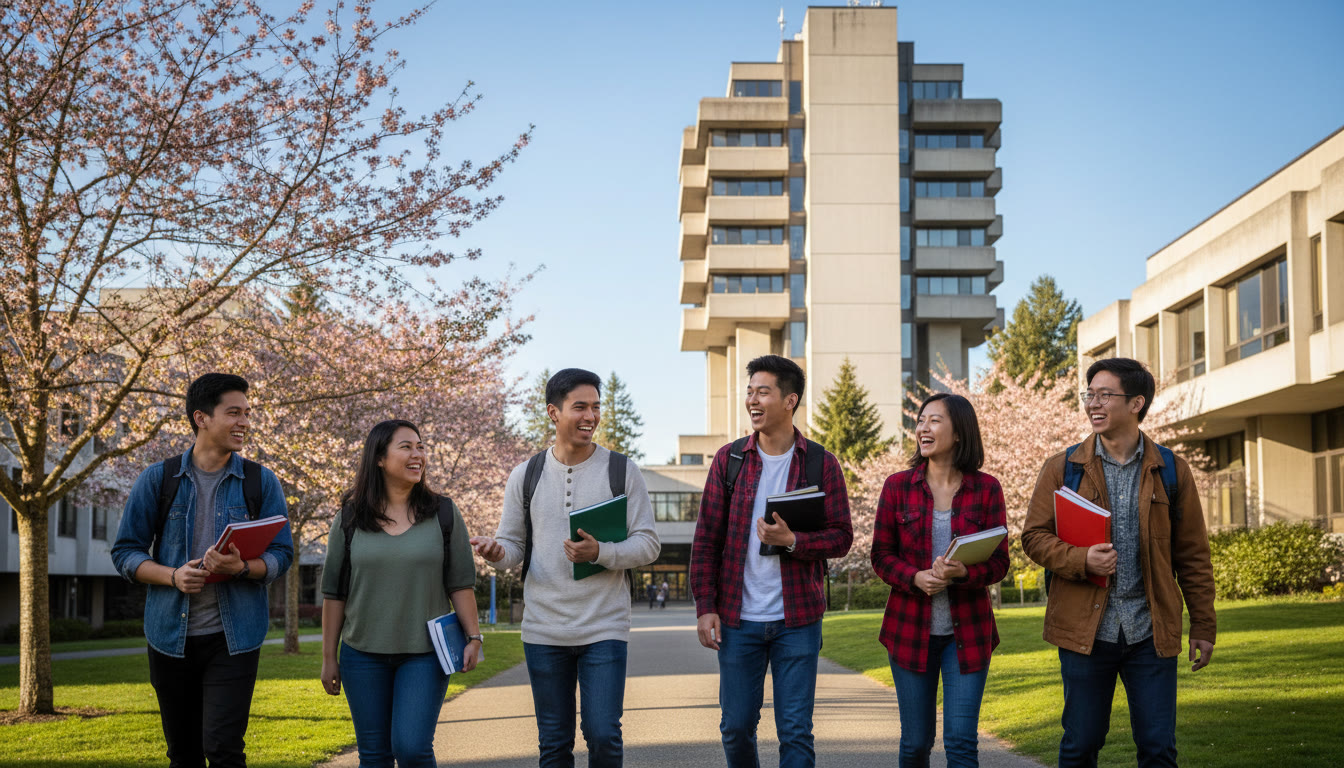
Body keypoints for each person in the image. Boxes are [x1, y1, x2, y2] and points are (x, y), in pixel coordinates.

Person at [1022, 358, 1216, 768]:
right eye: (1088, 394)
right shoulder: (1063, 468)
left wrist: (1203, 625)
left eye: (1104, 395)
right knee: (1080, 744)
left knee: (1159, 748)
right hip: (1084, 632)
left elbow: (1194, 556)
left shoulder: (1171, 471)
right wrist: (1080, 558)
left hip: (1151, 631)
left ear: (1135, 403)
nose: (1093, 403)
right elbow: (1034, 538)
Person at [470, 368, 660, 768]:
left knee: (604, 735)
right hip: (544, 630)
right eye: (580, 407)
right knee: (554, 744)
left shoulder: (622, 471)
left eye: (595, 407)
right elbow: (514, 545)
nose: (590, 416)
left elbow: (648, 543)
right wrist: (496, 552)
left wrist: (601, 552)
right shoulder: (526, 475)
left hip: (604, 627)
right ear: (554, 413)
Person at [111, 373, 294, 768]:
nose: (244, 421)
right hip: (169, 636)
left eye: (247, 413)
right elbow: (125, 552)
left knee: (224, 749)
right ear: (201, 418)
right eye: (234, 413)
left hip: (235, 638)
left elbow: (283, 553)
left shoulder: (261, 482)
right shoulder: (157, 480)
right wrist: (173, 576)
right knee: (183, 753)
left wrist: (243, 567)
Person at [690, 354, 853, 768]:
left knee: (795, 730)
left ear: (790, 400)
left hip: (797, 619)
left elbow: (842, 537)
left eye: (763, 392)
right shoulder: (730, 461)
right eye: (749, 392)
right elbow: (707, 539)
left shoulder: (820, 462)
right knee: (736, 726)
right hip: (737, 619)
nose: (752, 400)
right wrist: (705, 607)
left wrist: (794, 541)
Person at [319, 419, 483, 768]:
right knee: (374, 756)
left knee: (411, 748)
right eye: (406, 446)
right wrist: (329, 657)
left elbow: (460, 583)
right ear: (379, 458)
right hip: (361, 655)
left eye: (421, 446)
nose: (418, 454)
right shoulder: (349, 516)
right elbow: (334, 593)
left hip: (424, 655)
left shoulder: (443, 512)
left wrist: (474, 637)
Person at [870, 393, 1009, 767]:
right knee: (915, 743)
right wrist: (914, 577)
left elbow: (999, 563)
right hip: (908, 632)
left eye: (934, 420)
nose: (923, 428)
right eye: (921, 420)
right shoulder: (897, 487)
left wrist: (964, 573)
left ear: (959, 431)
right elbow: (880, 557)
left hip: (969, 635)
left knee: (962, 742)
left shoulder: (987, 489)